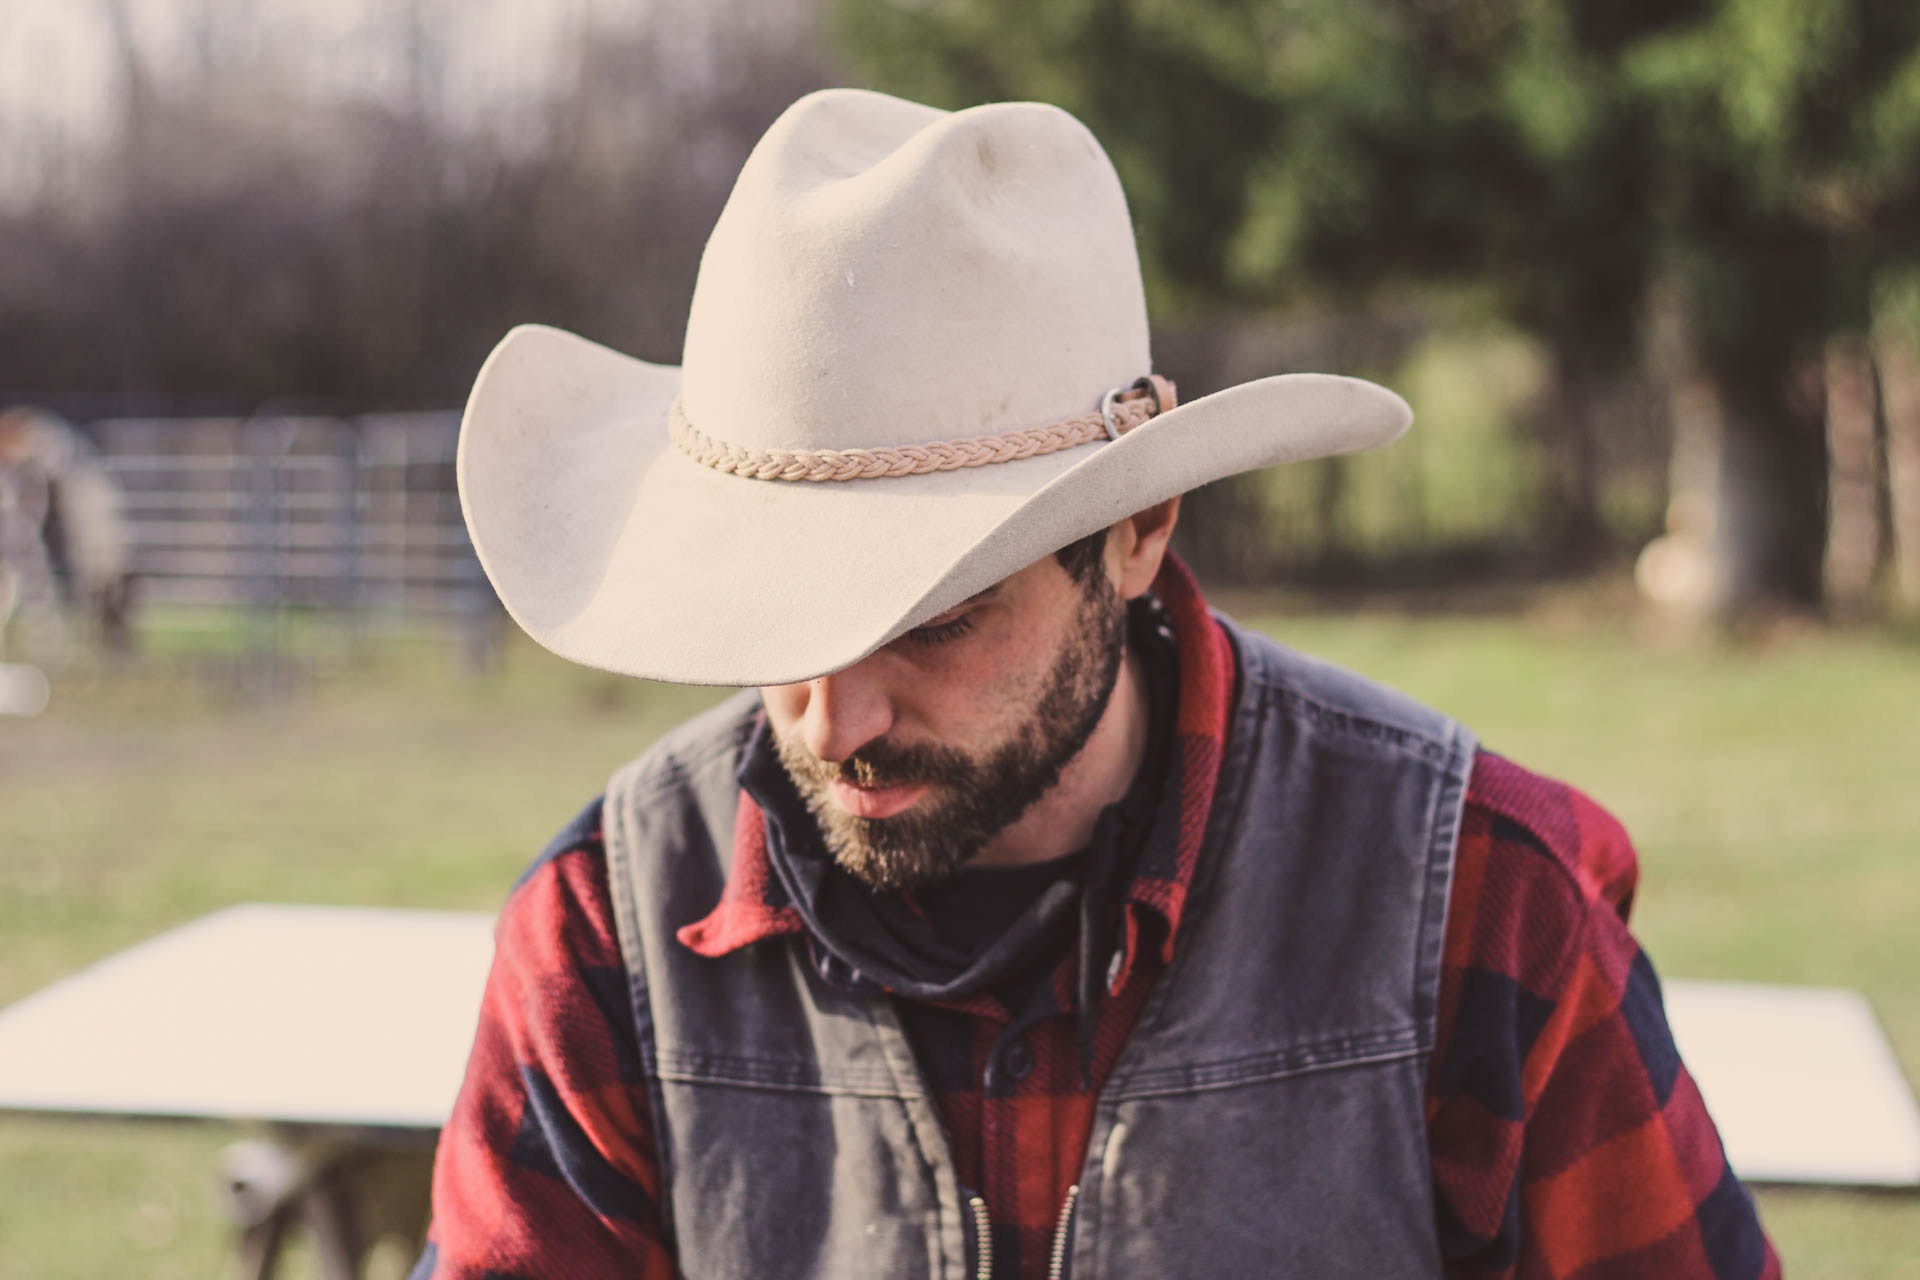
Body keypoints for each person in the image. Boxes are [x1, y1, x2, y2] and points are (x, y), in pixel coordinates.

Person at [413, 89, 1778, 1278]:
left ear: (1138, 533)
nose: (837, 719)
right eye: (782, 616)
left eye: (935, 621)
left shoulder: (1479, 901)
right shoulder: (609, 927)